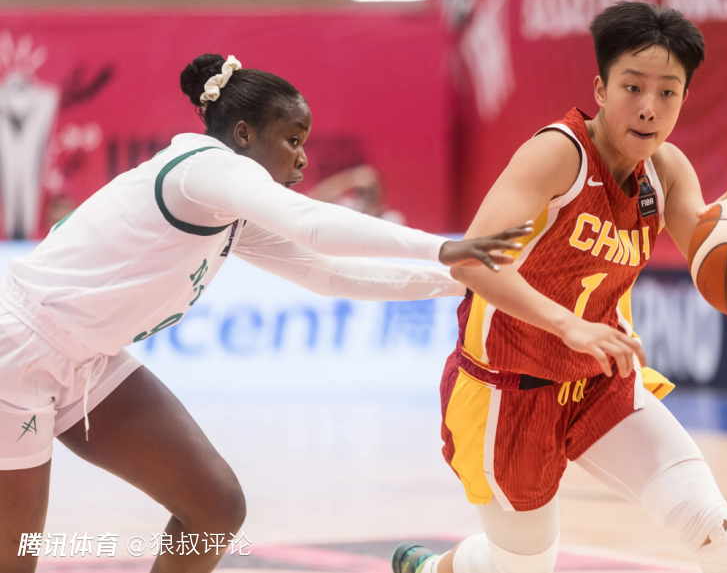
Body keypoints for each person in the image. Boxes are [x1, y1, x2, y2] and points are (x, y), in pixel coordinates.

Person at [0, 53, 529, 573]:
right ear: (245, 134)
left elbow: (327, 273)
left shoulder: (228, 210)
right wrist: (441, 248)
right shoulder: (202, 169)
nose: (302, 159)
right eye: (293, 140)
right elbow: (312, 226)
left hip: (87, 358)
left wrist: (457, 282)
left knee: (215, 507)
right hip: (19, 348)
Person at [392, 3, 727, 573]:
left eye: (667, 93)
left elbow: (710, 261)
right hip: (509, 387)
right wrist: (568, 325)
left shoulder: (667, 171)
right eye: (633, 87)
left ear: (684, 99)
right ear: (601, 88)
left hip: (600, 381)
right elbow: (471, 261)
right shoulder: (558, 154)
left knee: (712, 527)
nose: (648, 108)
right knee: (520, 565)